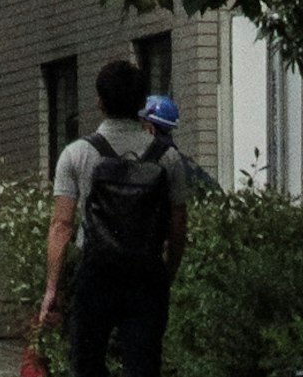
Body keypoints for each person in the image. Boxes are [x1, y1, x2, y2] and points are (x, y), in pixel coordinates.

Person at [41, 56, 191, 377]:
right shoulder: (168, 158)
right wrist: (167, 273)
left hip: (96, 273)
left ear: (99, 101)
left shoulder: (77, 154)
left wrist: (52, 289)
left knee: (87, 364)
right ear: (141, 104)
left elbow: (61, 225)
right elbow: (178, 225)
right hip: (146, 275)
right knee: (143, 365)